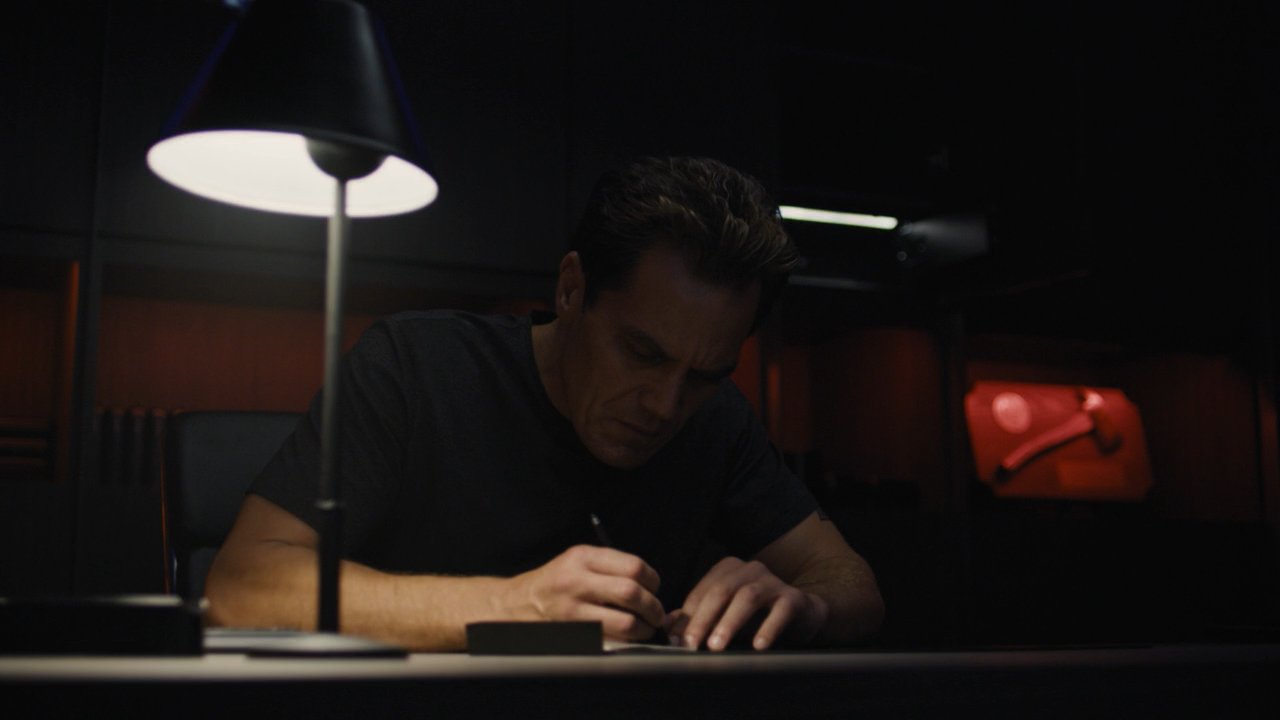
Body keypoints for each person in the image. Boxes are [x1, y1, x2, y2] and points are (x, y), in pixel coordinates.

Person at [205, 155, 884, 651]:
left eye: (706, 374)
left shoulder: (717, 418)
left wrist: (806, 607)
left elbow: (852, 583)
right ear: (571, 290)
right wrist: (512, 603)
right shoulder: (416, 367)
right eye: (642, 353)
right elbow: (241, 586)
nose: (665, 405)